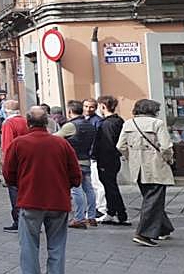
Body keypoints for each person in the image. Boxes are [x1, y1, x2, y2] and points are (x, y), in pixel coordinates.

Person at [3, 106, 82, 274]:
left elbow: (8, 173)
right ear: (47, 122)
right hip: (58, 201)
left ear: (28, 123)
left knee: (29, 242)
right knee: (57, 244)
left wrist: (20, 184)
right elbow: (76, 175)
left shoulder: (19, 144)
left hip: (30, 199)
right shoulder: (61, 144)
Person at [118, 99, 175, 248]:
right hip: (155, 166)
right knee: (153, 200)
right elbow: (166, 147)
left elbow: (120, 146)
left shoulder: (128, 124)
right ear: (153, 110)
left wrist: (132, 157)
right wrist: (169, 160)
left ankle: (163, 228)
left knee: (151, 198)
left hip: (137, 167)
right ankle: (143, 233)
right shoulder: (157, 124)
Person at [58, 100, 98, 229]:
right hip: (86, 159)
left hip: (74, 161)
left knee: (76, 189)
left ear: (70, 111)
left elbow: (54, 138)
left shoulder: (70, 126)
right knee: (89, 189)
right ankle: (91, 217)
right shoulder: (89, 124)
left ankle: (79, 218)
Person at [94, 95, 130, 226]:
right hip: (113, 159)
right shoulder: (118, 121)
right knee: (110, 186)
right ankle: (111, 212)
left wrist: (99, 157)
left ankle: (121, 214)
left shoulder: (107, 124)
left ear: (103, 106)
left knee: (111, 187)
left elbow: (107, 143)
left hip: (106, 160)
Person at [0, 100, 28, 232]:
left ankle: (18, 221)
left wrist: (4, 167)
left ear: (6, 110)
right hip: (26, 161)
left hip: (15, 163)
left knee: (14, 192)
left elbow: (7, 146)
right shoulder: (25, 121)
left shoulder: (8, 123)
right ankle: (29, 220)